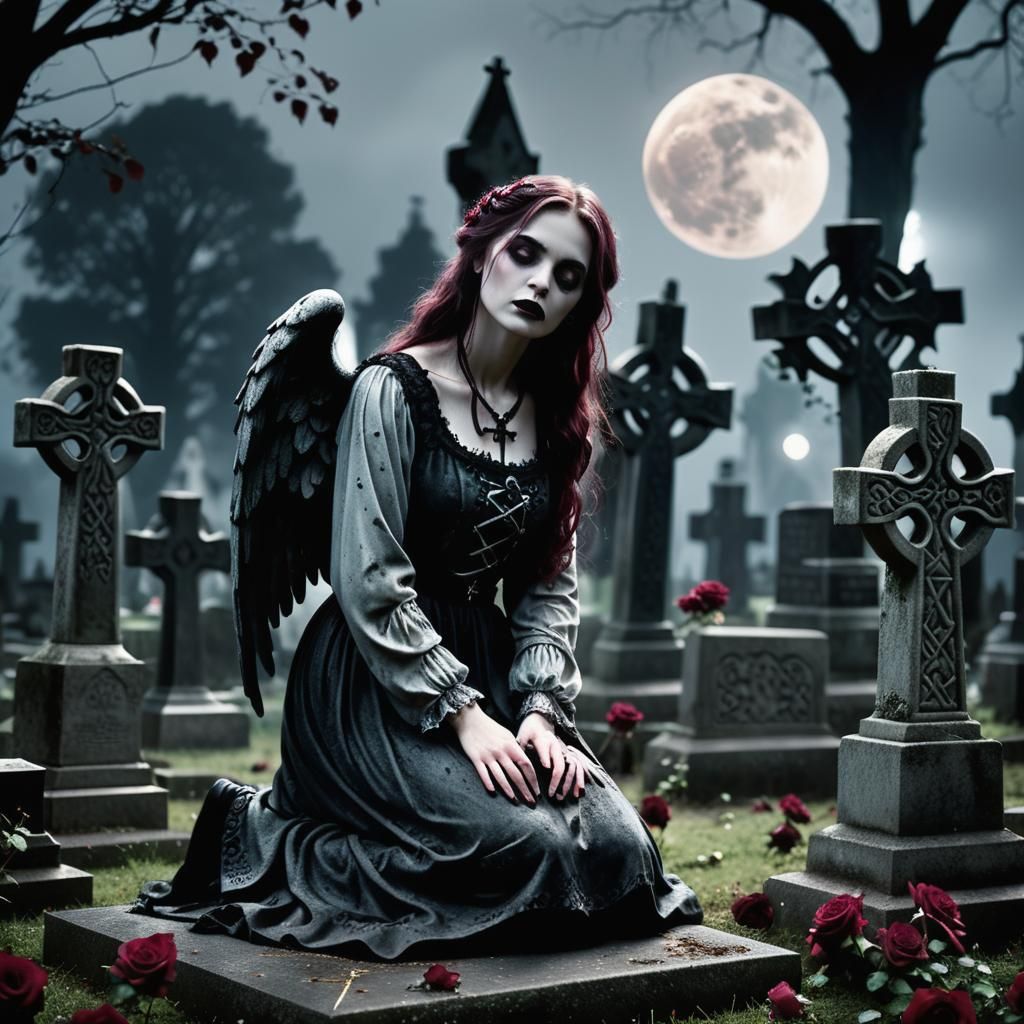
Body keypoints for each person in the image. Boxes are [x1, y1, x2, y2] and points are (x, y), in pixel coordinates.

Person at [133, 175, 702, 959]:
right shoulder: (389, 390)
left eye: (568, 275)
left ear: (581, 301)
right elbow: (369, 580)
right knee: (525, 850)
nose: (540, 282)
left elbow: (546, 588)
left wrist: (539, 712)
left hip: (495, 667)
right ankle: (255, 832)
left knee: (619, 854)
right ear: (479, 257)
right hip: (373, 678)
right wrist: (465, 717)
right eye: (525, 254)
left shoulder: (560, 420)